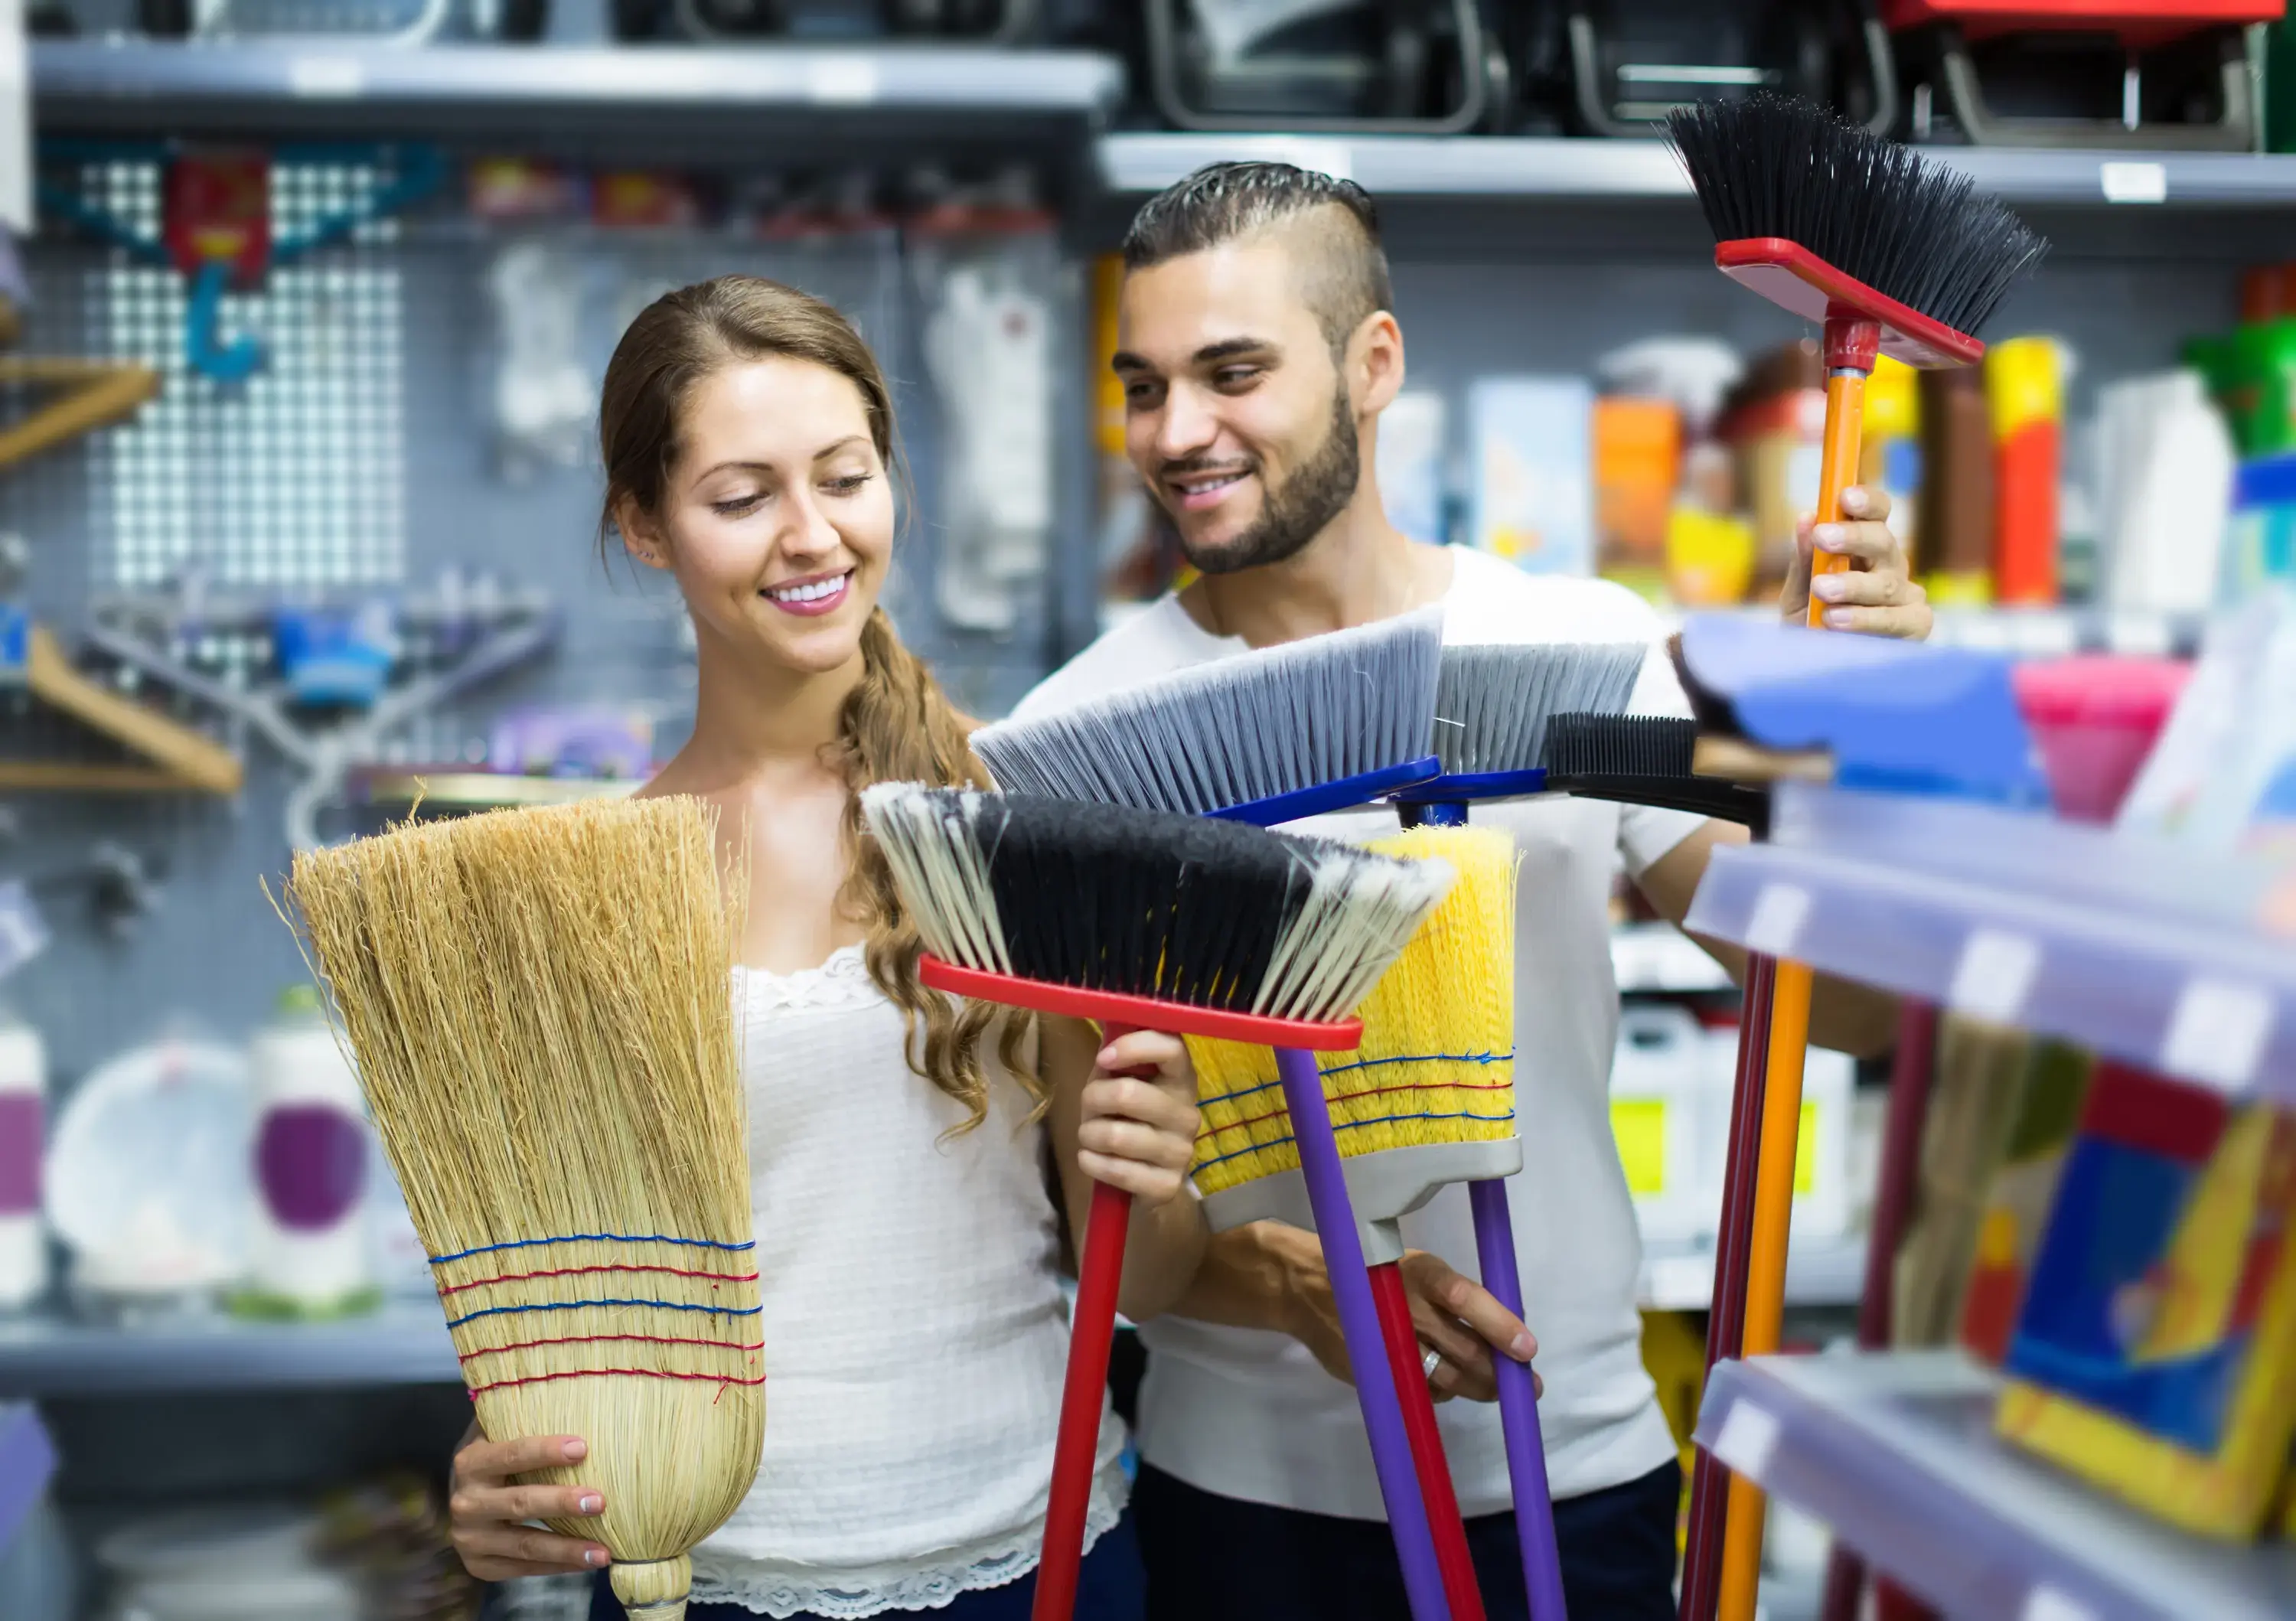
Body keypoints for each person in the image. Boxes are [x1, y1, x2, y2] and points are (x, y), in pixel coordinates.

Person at [1008, 163, 1933, 1621]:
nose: (1177, 432)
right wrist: (1290, 1281)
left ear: (1372, 363)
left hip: (1570, 1475)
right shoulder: (1078, 738)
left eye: (1233, 374)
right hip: (1238, 1508)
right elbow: (1113, 1242)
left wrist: (1852, 751)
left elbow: (1850, 1012)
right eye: (1145, 386)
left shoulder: (1579, 650)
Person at [442, 275, 1210, 1621]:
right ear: (644, 525)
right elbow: (575, 1318)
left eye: (846, 478)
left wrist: (1156, 1173)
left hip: (1036, 1564)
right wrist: (496, 1475)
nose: (812, 535)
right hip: (708, 1581)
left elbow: (1148, 1278)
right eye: (742, 497)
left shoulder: (1021, 817)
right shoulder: (583, 890)